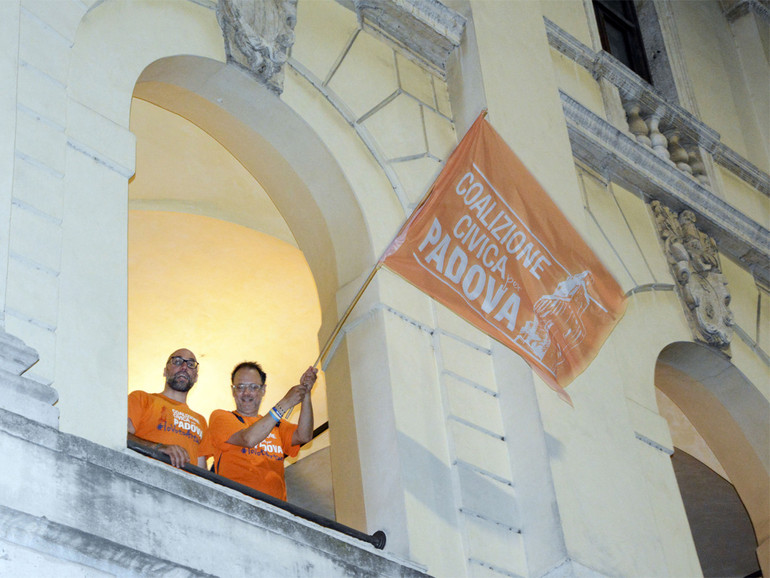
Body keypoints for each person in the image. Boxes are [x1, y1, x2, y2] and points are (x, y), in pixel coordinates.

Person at [203, 362, 316, 501]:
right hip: (235, 505)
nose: (246, 393)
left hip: (276, 510)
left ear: (263, 390)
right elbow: (248, 439)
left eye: (253, 387)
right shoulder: (221, 417)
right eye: (240, 387)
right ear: (233, 391)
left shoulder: (276, 425)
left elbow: (304, 436)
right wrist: (285, 403)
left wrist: (306, 395)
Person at [127, 348, 208, 469]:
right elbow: (120, 436)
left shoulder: (201, 421)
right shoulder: (141, 398)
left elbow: (202, 470)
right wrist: (158, 447)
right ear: (165, 371)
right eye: (177, 361)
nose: (184, 367)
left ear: (196, 378)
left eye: (191, 364)